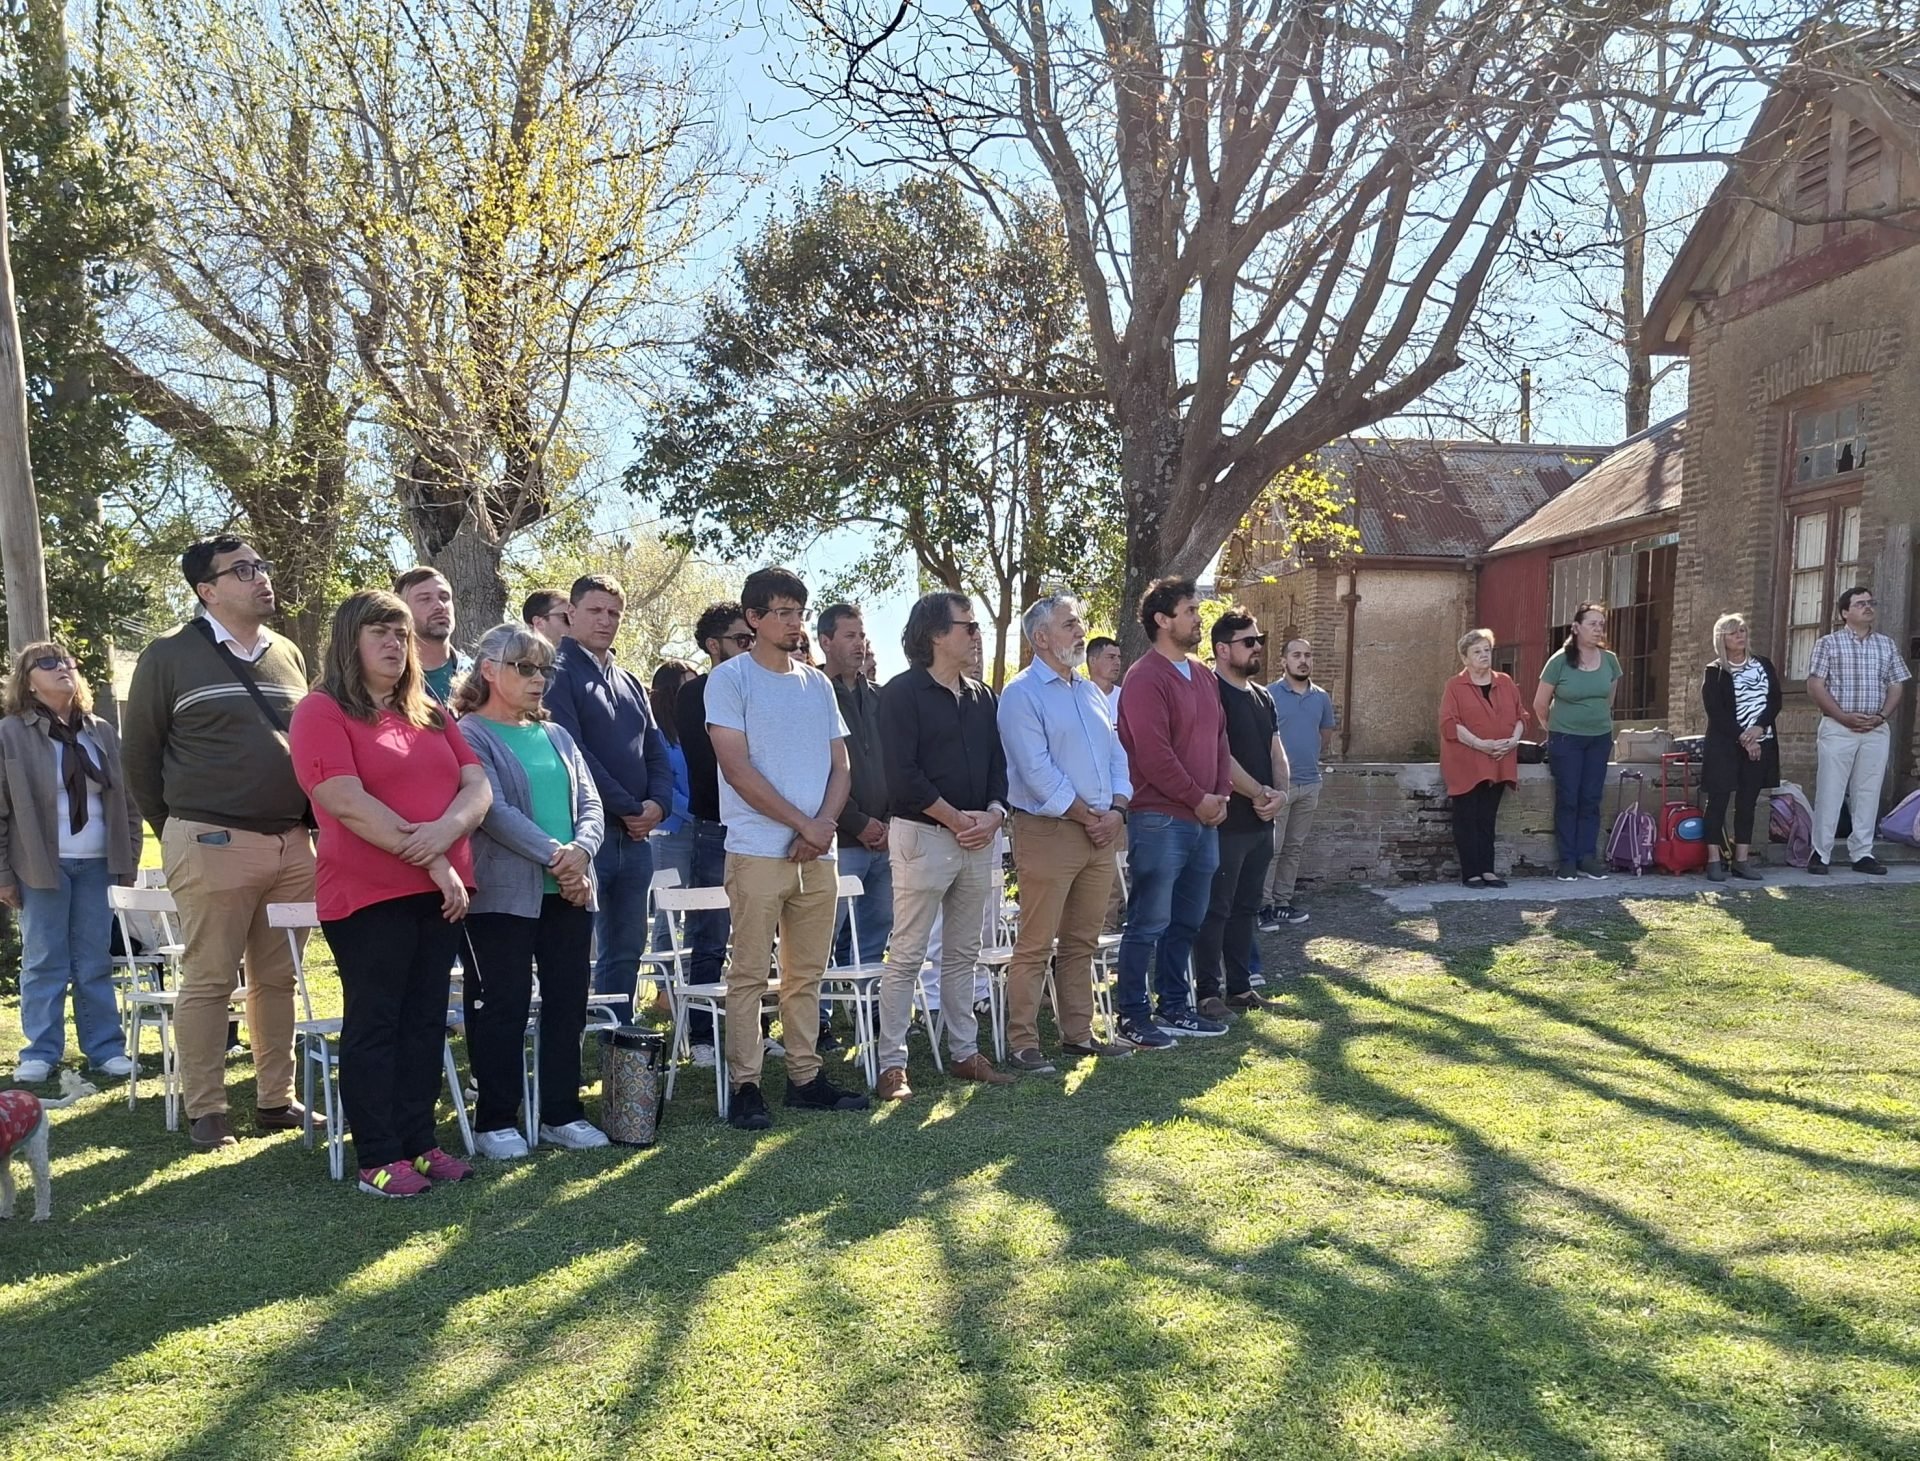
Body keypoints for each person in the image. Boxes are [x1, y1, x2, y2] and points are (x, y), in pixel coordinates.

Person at [289, 590, 491, 1197]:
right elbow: (346, 803)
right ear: (349, 639)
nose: (394, 644)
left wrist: (447, 836)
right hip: (369, 896)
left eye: (401, 634)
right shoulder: (321, 711)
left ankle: (420, 1144)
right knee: (377, 1022)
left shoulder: (429, 707)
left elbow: (476, 786)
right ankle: (377, 1156)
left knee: (426, 1022)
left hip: (443, 894)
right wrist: (438, 863)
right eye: (379, 632)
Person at [123, 535, 318, 1151]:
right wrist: (181, 829)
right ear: (207, 590)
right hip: (210, 838)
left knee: (278, 978)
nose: (260, 577)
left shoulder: (287, 653)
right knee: (208, 978)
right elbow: (139, 759)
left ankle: (275, 1100)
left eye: (261, 565)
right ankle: (207, 1109)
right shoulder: (167, 656)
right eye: (242, 571)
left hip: (292, 844)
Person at [705, 566, 868, 1129]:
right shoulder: (730, 680)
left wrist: (821, 826)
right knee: (749, 972)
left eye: (799, 611)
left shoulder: (817, 683)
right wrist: (804, 824)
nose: (795, 622)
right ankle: (745, 1084)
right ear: (753, 618)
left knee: (806, 975)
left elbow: (840, 765)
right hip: (756, 849)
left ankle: (805, 1076)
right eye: (782, 612)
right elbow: (737, 769)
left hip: (817, 852)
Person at [454, 623, 607, 1156]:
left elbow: (590, 803)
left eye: (544, 668)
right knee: (505, 1003)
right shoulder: (468, 733)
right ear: (489, 670)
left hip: (568, 892)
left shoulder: (557, 734)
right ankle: (496, 1119)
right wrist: (557, 856)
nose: (538, 679)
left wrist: (580, 854)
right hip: (501, 897)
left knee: (568, 1002)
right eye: (525, 668)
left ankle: (560, 1112)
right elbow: (493, 810)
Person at [871, 592, 1014, 1100]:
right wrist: (956, 819)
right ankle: (892, 1065)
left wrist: (994, 815)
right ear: (935, 634)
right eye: (968, 627)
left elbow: (1000, 766)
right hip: (924, 837)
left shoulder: (983, 697)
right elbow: (902, 776)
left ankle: (964, 1053)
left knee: (963, 954)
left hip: (978, 838)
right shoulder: (900, 694)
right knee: (907, 953)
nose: (976, 635)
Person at [996, 596, 1133, 1074]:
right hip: (1050, 831)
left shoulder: (1089, 692)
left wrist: (1116, 810)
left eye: (1079, 623)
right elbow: (1036, 771)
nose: (1080, 632)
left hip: (1100, 832)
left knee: (1082, 940)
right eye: (1070, 624)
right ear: (1041, 638)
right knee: (1036, 943)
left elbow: (1117, 757)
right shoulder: (1022, 694)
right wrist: (1087, 815)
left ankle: (1078, 1035)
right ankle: (1023, 1043)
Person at [0, 643, 143, 1083]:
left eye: (66, 662)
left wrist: (130, 856)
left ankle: (104, 1049)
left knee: (94, 960)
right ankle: (40, 1052)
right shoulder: (9, 733)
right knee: (44, 961)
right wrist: (4, 874)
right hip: (41, 865)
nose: (62, 667)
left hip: (99, 862)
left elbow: (128, 799)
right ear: (27, 680)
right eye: (47, 663)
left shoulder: (100, 731)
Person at [544, 574, 673, 1008]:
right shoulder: (555, 674)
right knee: (576, 949)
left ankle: (618, 1047)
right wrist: (629, 806)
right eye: (595, 610)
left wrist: (658, 805)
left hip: (636, 839)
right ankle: (571, 1042)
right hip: (588, 835)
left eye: (614, 613)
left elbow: (656, 749)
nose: (605, 620)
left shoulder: (630, 681)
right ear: (571, 613)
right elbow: (573, 751)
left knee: (627, 948)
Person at [1115, 577, 1232, 1049]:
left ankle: (1174, 1007)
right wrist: (1197, 798)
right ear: (1162, 621)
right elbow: (1153, 754)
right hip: (1161, 818)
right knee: (1148, 921)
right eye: (1189, 610)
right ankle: (1132, 1015)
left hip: (1205, 817)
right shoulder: (1144, 678)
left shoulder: (1203, 675)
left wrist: (1220, 793)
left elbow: (1221, 739)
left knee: (1188, 920)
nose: (1197, 618)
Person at [1191, 612, 1286, 1020]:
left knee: (1248, 906)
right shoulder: (1209, 692)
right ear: (1222, 649)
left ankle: (1241, 987)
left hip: (1261, 821)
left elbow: (1275, 751)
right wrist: (1259, 792)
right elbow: (1218, 755)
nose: (1258, 646)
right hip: (1225, 821)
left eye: (1259, 639)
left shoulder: (1263, 696)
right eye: (1249, 641)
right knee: (1217, 908)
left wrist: (1280, 792)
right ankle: (1208, 992)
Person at [674, 602, 755, 1067]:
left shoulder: (760, 684)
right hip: (714, 827)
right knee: (710, 934)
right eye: (741, 639)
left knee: (756, 938)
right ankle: (703, 1036)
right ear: (713, 645)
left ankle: (754, 1032)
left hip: (759, 828)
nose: (750, 646)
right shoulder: (696, 694)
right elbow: (715, 763)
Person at [1806, 586, 1909, 875]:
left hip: (1875, 730)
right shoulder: (1828, 644)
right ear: (1844, 613)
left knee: (1868, 791)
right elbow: (1815, 685)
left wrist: (1881, 716)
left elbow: (1896, 684)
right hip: (1838, 728)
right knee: (1830, 789)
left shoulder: (1886, 645)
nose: (1868, 607)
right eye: (1860, 603)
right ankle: (1820, 853)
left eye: (1870, 602)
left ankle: (1862, 853)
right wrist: (1842, 716)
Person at [818, 603, 892, 972]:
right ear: (825, 641)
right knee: (823, 938)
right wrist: (858, 823)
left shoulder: (882, 698)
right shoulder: (811, 694)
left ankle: (872, 1014)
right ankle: (822, 1022)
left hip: (886, 840)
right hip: (837, 841)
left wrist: (889, 822)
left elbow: (898, 763)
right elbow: (815, 773)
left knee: (875, 938)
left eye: (862, 635)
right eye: (850, 636)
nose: (859, 644)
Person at [1532, 603, 1621, 882]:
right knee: (1568, 798)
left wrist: (1596, 723)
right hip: (1566, 739)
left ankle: (1587, 857)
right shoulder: (1559, 661)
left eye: (1601, 624)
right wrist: (1554, 729)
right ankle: (1568, 860)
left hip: (1599, 738)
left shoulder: (1609, 660)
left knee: (1591, 798)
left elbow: (1609, 700)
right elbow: (1539, 704)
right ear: (1576, 627)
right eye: (1592, 623)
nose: (1598, 629)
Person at [1439, 630, 1527, 888]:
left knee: (1488, 817)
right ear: (1465, 658)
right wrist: (1480, 744)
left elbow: (1522, 716)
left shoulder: (1506, 682)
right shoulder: (1454, 686)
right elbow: (1449, 723)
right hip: (1466, 761)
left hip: (1500, 758)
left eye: (1486, 650)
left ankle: (1488, 870)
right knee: (1467, 817)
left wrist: (1513, 741)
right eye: (1476, 651)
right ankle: (1471, 872)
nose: (1483, 655)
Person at [1259, 637, 1334, 929]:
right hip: (1278, 786)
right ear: (1283, 661)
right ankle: (1261, 906)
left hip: (1310, 783)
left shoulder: (1321, 697)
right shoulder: (1268, 695)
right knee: (1271, 849)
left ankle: (1282, 903)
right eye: (1296, 655)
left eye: (1308, 655)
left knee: (1294, 848)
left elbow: (1325, 735)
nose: (1303, 660)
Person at [1700, 613, 1781, 883]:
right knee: (1718, 801)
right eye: (1734, 632)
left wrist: (1758, 730)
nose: (1740, 635)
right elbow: (1716, 712)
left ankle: (1741, 861)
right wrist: (1745, 738)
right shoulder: (1715, 671)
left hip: (1762, 741)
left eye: (1743, 630)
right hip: (1725, 745)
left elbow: (1774, 702)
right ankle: (1713, 860)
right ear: (1722, 638)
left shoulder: (1764, 665)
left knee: (1747, 802)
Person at [648, 659, 697, 950]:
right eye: (685, 685)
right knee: (668, 915)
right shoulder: (655, 735)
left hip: (700, 832)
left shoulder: (693, 730)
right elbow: (662, 784)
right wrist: (694, 811)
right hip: (670, 834)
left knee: (700, 912)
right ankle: (664, 992)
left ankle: (692, 986)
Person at [394, 567, 471, 705]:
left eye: (444, 597)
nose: (439, 605)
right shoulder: (391, 679)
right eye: (425, 599)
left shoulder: (477, 675)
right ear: (402, 610)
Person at [1085, 636, 1125, 722]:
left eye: (1119, 657)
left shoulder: (1125, 698)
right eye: (1111, 657)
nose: (1117, 662)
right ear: (1092, 661)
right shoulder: (1078, 697)